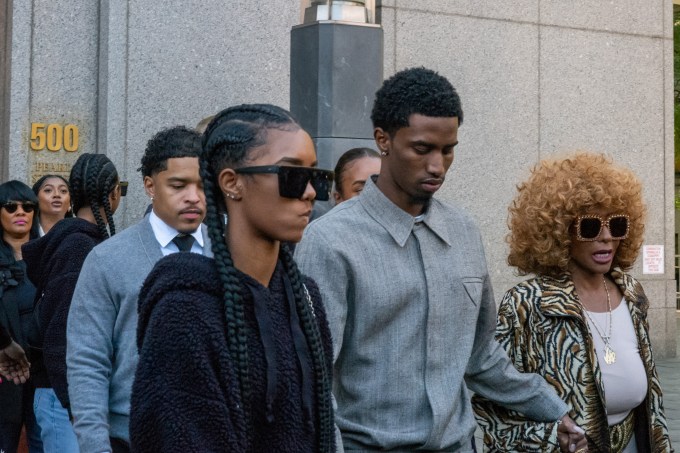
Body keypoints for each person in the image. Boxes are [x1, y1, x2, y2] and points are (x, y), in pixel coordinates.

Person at [295, 67, 587, 453]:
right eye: (422, 149)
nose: (437, 166)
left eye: (447, 150)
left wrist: (554, 410)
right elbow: (312, 379)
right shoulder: (330, 242)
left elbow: (480, 354)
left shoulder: (464, 232)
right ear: (383, 139)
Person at [129, 104, 336, 452]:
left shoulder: (305, 299)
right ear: (232, 183)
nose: (311, 193)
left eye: (318, 178)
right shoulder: (185, 308)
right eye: (292, 176)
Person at [471, 152, 674, 452]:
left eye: (617, 225)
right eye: (590, 227)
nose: (606, 237)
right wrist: (552, 439)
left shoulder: (631, 292)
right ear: (559, 231)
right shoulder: (527, 303)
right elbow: (495, 403)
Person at [66, 126, 208, 453]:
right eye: (178, 185)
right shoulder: (107, 259)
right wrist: (95, 445)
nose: (193, 196)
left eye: (202, 185)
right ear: (149, 186)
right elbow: (87, 360)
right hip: (129, 437)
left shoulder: (229, 255)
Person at [23, 153, 124, 453]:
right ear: (114, 193)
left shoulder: (83, 241)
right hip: (67, 400)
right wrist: (76, 405)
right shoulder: (78, 247)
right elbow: (60, 331)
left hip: (75, 398)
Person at [0, 180, 43, 453]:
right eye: (11, 206)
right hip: (4, 370)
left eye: (28, 207)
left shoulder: (48, 256)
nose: (20, 212)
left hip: (42, 370)